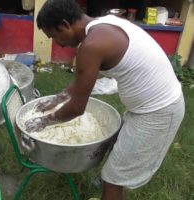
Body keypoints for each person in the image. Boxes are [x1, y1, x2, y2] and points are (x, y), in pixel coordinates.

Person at [24, 0, 185, 199]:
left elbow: (76, 109)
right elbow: (82, 81)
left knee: (113, 179)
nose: (59, 44)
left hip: (159, 112)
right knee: (117, 158)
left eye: (55, 36)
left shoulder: (91, 46)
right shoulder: (104, 23)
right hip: (152, 105)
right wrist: (57, 100)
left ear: (65, 24)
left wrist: (43, 122)